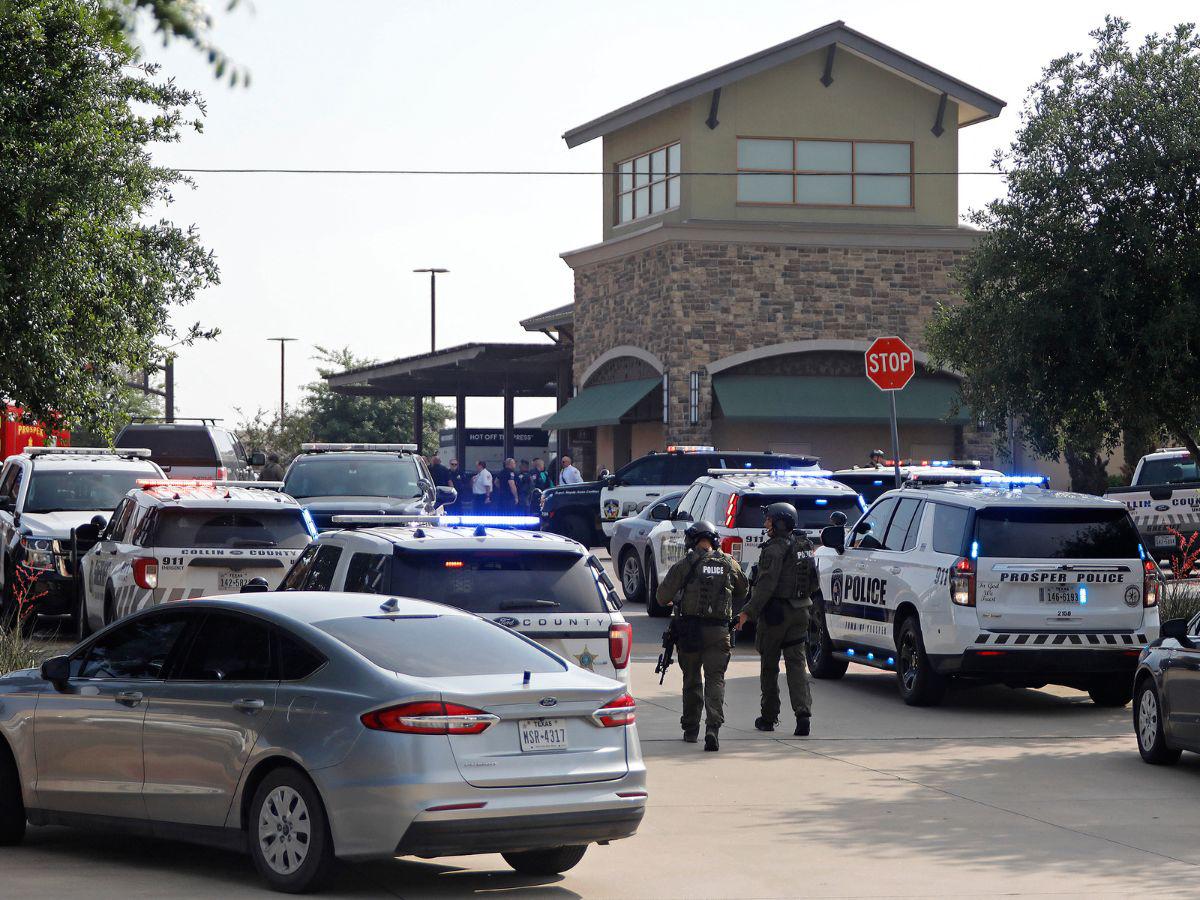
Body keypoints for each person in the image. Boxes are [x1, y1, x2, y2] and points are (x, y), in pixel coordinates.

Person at [657, 520, 748, 752]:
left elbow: (661, 596)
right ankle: (713, 728)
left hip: (690, 631)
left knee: (692, 680)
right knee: (715, 679)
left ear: (692, 540)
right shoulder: (728, 563)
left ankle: (690, 729)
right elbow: (743, 589)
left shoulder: (684, 565)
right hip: (719, 632)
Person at [735, 502, 816, 737]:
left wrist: (747, 612)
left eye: (769, 520)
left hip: (776, 615)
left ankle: (769, 717)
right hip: (801, 612)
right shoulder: (804, 546)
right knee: (796, 665)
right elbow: (814, 582)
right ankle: (803, 716)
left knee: (769, 665)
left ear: (780, 522)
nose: (766, 524)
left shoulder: (773, 550)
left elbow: (765, 586)